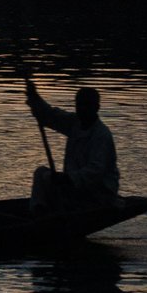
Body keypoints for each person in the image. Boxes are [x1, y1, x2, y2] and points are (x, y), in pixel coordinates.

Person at [25, 78, 119, 211]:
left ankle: (51, 212)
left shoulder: (101, 135)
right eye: (79, 105)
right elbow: (49, 116)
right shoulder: (74, 122)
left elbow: (95, 171)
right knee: (41, 173)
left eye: (87, 105)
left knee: (53, 181)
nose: (82, 109)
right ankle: (38, 211)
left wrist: (67, 178)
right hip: (75, 187)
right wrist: (34, 97)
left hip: (99, 193)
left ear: (96, 108)